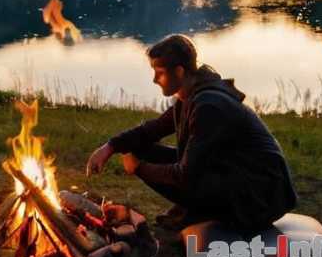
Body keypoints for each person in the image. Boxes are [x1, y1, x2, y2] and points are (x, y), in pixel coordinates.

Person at [86, 34, 297, 234]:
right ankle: (198, 211)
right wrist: (110, 146)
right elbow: (153, 129)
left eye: (159, 72)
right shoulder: (190, 97)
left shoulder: (208, 106)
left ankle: (207, 213)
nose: (154, 80)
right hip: (236, 178)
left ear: (178, 72)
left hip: (259, 198)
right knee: (138, 147)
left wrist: (138, 168)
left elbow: (185, 176)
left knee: (156, 163)